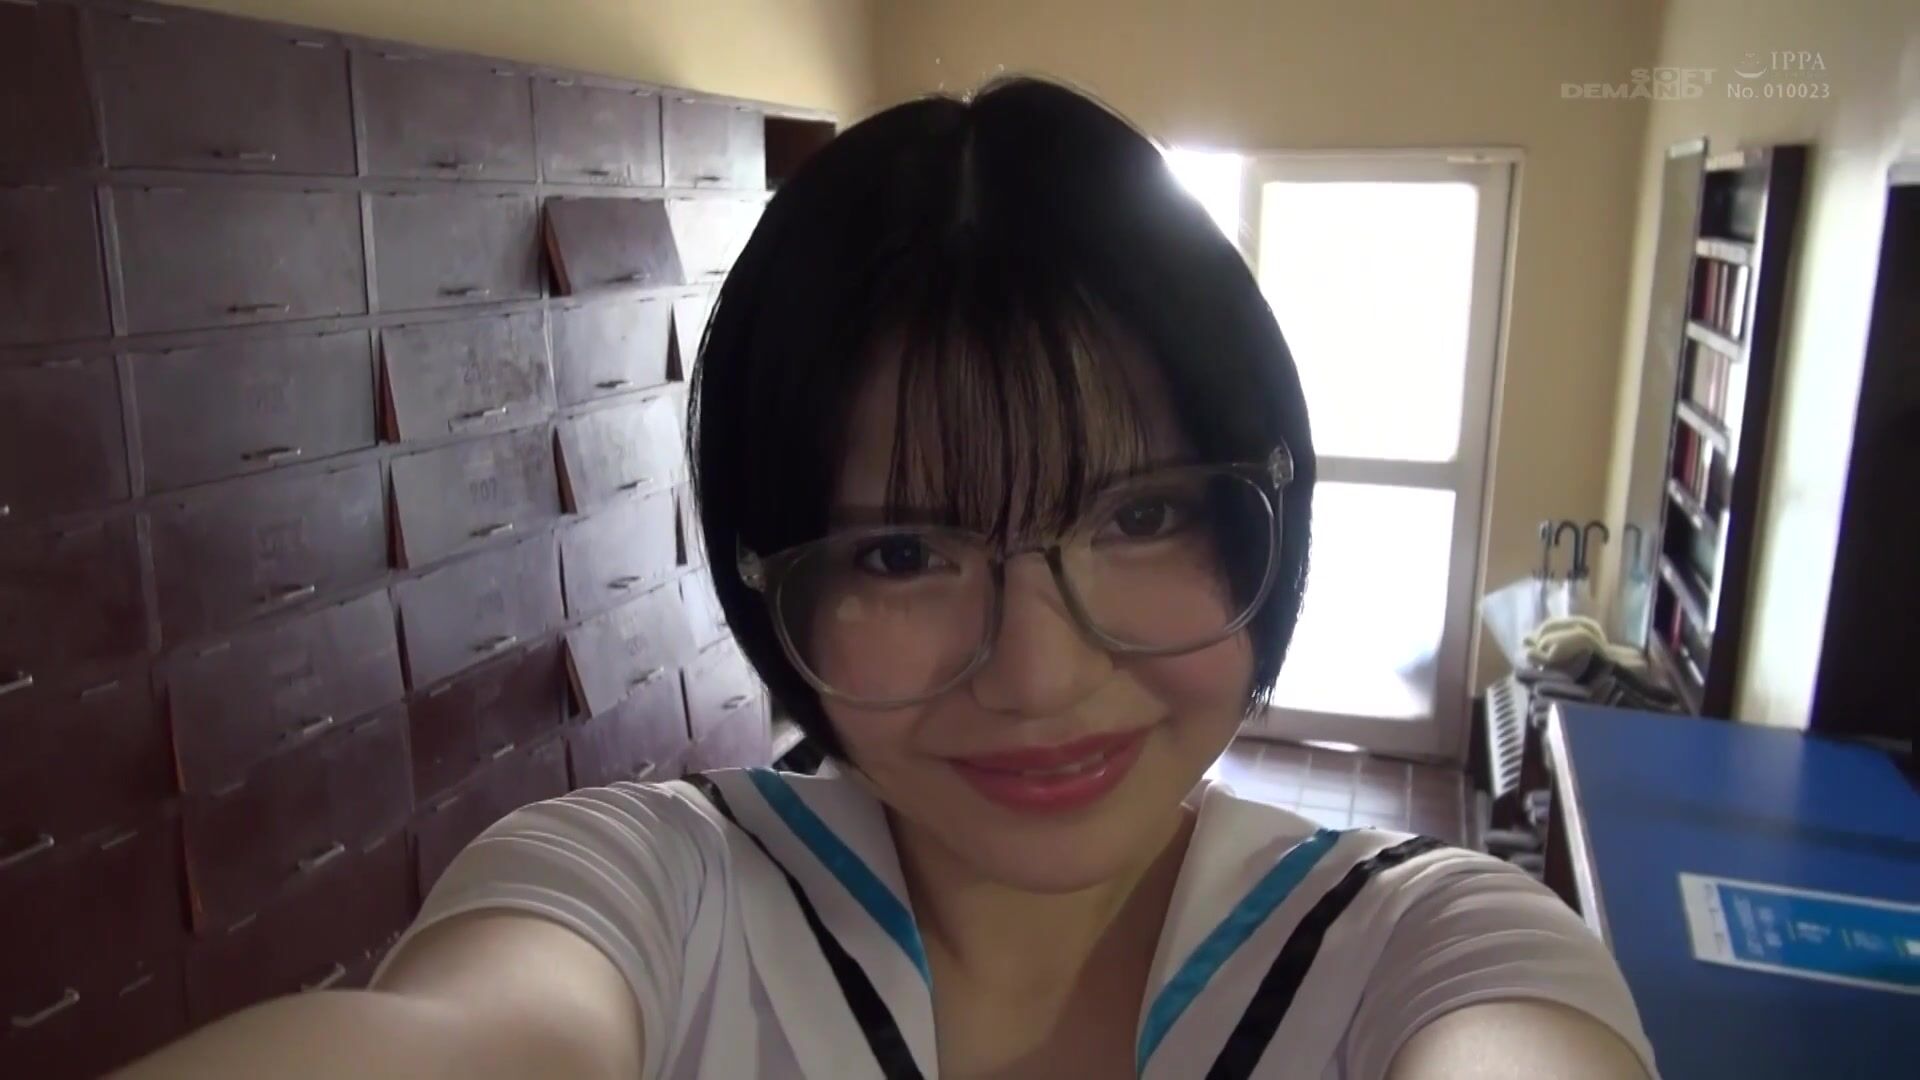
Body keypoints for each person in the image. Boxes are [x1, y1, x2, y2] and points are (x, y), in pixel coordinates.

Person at [120, 77, 1655, 1080]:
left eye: (1140, 517)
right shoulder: (648, 895)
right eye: (906, 553)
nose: (1039, 676)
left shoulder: (1438, 953)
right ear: (771, 578)